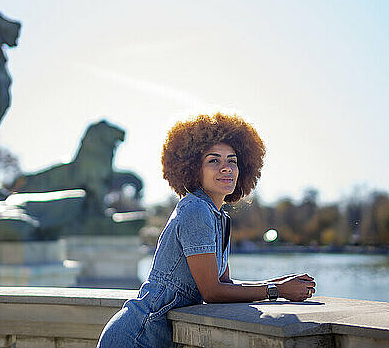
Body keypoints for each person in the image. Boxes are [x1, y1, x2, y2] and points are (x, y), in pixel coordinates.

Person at [96, 113, 316, 348]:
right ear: (193, 169)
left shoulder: (219, 217)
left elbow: (225, 284)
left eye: (232, 161)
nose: (226, 168)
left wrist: (279, 282)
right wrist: (276, 290)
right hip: (136, 336)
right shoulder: (196, 210)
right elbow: (212, 292)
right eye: (214, 161)